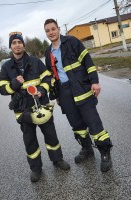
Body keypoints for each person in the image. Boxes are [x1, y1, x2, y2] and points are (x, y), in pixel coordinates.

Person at [0, 32, 70, 182]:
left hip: (41, 105)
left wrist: (42, 90)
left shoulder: (35, 61)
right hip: (23, 111)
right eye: (14, 43)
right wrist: (13, 85)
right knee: (30, 141)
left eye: (19, 42)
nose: (17, 45)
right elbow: (2, 89)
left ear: (23, 45)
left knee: (51, 135)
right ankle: (36, 168)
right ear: (10, 47)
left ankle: (57, 160)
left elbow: (47, 77)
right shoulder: (6, 67)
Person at [43, 18, 113, 172]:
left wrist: (94, 81)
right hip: (65, 93)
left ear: (58, 29)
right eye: (47, 30)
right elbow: (51, 75)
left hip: (81, 88)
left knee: (93, 123)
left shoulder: (72, 42)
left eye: (53, 29)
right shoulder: (48, 53)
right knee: (77, 125)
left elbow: (87, 60)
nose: (51, 32)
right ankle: (87, 149)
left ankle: (105, 153)